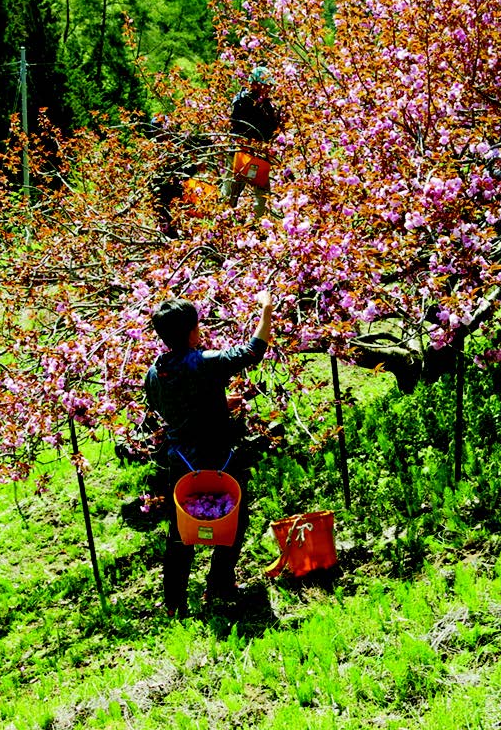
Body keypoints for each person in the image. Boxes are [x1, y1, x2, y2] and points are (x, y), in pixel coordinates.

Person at [145, 291, 274, 617]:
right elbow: (253, 351)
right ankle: (219, 584)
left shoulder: (155, 372)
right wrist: (266, 308)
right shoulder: (203, 361)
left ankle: (174, 603)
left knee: (180, 534)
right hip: (217, 459)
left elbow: (166, 409)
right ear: (192, 330)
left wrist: (217, 404)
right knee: (234, 520)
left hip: (181, 464)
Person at [223, 66, 282, 218]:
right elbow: (237, 125)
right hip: (241, 150)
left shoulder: (266, 104)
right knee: (232, 190)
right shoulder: (242, 101)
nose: (268, 89)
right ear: (255, 84)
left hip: (259, 152)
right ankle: (225, 219)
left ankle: (255, 224)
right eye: (265, 85)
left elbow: (270, 128)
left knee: (261, 191)